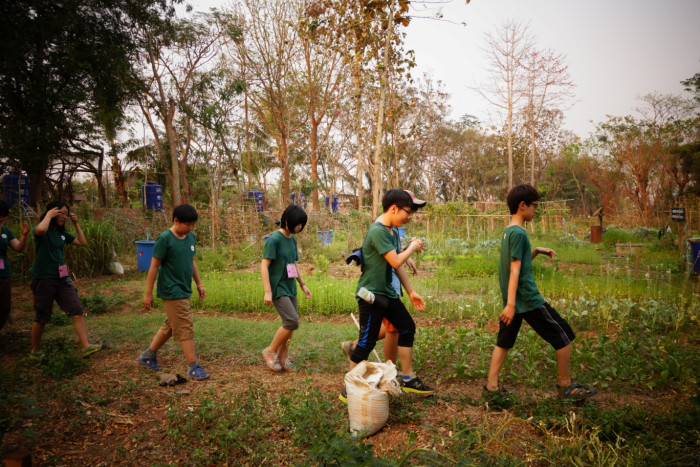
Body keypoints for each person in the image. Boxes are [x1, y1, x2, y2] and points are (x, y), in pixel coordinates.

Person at [485, 185, 597, 400]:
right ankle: (565, 385)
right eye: (535, 206)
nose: (537, 210)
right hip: (527, 299)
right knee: (563, 335)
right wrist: (510, 305)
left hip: (515, 300)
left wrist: (535, 251)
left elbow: (515, 263)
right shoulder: (519, 233)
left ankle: (491, 386)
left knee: (504, 340)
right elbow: (515, 269)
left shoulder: (509, 231)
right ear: (522, 205)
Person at [343, 189, 434, 400]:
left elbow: (396, 266)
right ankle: (349, 388)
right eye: (407, 212)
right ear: (394, 208)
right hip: (371, 295)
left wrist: (411, 291)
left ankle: (409, 378)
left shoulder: (392, 231)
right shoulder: (378, 231)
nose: (410, 217)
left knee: (407, 326)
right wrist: (412, 247)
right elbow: (396, 261)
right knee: (366, 341)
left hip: (387, 293)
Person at [138, 204, 209, 380]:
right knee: (184, 325)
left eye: (193, 224)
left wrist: (199, 284)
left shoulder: (190, 236)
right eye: (188, 224)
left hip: (185, 288)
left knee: (171, 325)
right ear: (176, 220)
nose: (191, 228)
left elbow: (191, 261)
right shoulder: (165, 239)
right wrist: (148, 293)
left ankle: (147, 356)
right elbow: (154, 266)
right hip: (171, 289)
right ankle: (193, 366)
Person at [29, 201, 102, 359]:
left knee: (76, 310)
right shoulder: (42, 229)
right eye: (61, 213)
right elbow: (40, 230)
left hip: (62, 279)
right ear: (52, 213)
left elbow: (82, 242)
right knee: (42, 316)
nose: (65, 217)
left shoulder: (61, 234)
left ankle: (86, 347)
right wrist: (48, 215)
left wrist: (76, 225)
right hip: (44, 278)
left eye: (66, 214)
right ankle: (35, 351)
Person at [261, 205, 311, 371]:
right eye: (297, 223)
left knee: (291, 326)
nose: (299, 227)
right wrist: (268, 291)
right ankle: (270, 351)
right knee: (291, 321)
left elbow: (293, 264)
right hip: (278, 288)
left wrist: (303, 284)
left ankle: (282, 359)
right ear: (287, 221)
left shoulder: (292, 240)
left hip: (290, 287)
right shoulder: (274, 240)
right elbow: (264, 265)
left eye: (302, 224)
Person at [0, 200, 29, 332]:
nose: (2, 218)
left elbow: (18, 248)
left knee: (4, 307)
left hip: (4, 274)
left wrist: (24, 236)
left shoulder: (5, 230)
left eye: (4, 215)